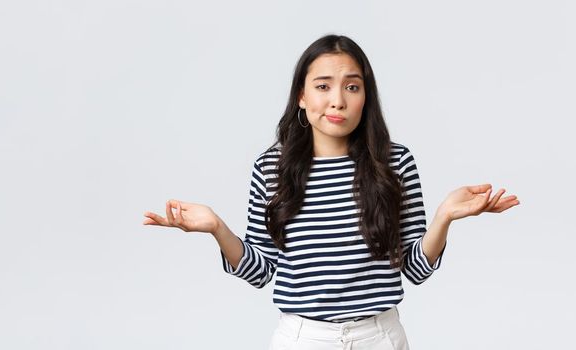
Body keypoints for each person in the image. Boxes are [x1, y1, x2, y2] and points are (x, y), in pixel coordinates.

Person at [141, 34, 519, 350]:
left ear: (365, 97)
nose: (337, 99)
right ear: (302, 96)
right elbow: (262, 272)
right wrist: (217, 229)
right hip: (302, 339)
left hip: (380, 337)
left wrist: (444, 218)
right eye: (323, 86)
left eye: (351, 87)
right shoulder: (271, 170)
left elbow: (415, 270)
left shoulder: (395, 163)